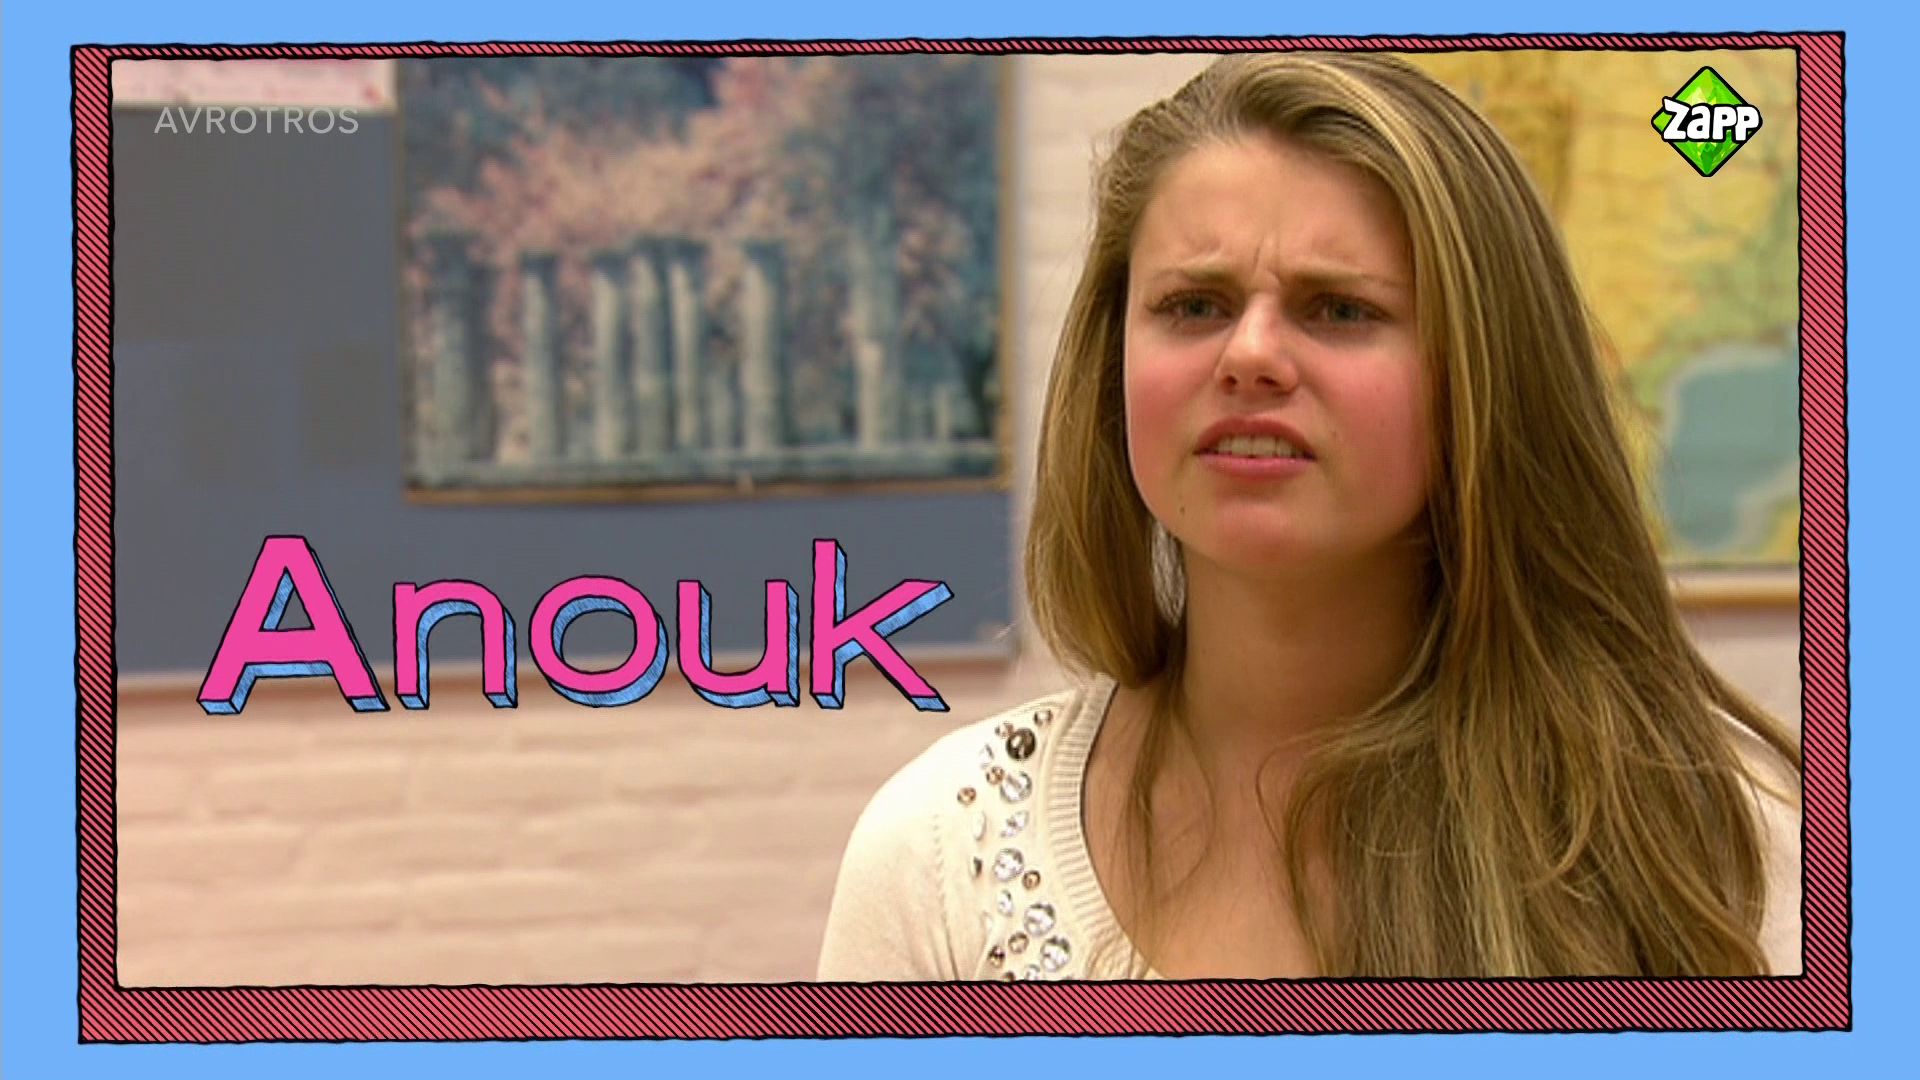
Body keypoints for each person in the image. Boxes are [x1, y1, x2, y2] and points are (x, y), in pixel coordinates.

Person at [816, 52, 1803, 981]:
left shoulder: (1706, 839)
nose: (1249, 355)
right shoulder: (943, 853)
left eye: (1339, 309)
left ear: (1485, 376)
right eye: (1194, 305)